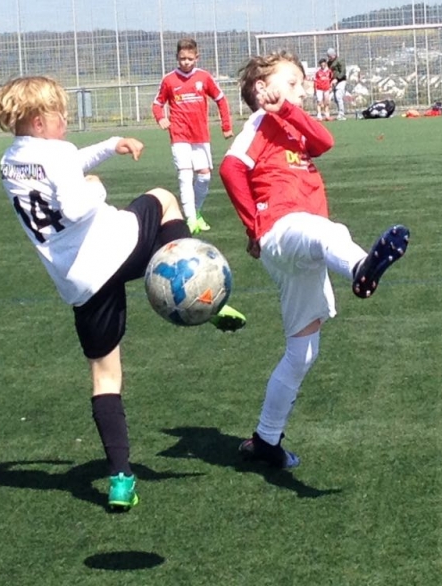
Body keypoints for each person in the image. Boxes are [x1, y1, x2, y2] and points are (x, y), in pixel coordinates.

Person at [0, 75, 246, 512]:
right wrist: (97, 186)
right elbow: (76, 202)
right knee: (163, 199)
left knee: (105, 377)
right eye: (59, 114)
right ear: (38, 122)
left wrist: (111, 145)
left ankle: (121, 479)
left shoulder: (11, 160)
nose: (66, 120)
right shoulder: (56, 155)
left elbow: (65, 164)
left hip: (79, 281)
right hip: (113, 245)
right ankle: (201, 292)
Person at [219, 51, 410, 469]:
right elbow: (231, 169)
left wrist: (288, 109)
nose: (301, 91)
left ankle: (266, 440)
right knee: (328, 231)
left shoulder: (290, 123)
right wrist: (254, 228)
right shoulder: (259, 124)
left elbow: (325, 142)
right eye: (292, 83)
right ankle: (360, 268)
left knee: (303, 352)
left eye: (302, 85)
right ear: (262, 89)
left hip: (300, 250)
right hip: (283, 228)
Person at [152, 38, 234, 235]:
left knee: (204, 176)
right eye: (182, 59)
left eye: (190, 58)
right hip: (179, 135)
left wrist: (226, 126)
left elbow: (221, 100)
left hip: (200, 136)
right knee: (185, 176)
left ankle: (195, 212)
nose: (186, 62)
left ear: (197, 57)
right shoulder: (169, 80)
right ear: (177, 58)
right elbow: (157, 103)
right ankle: (189, 220)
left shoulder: (204, 77)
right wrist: (161, 118)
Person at [326, 47, 348, 120]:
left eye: (330, 56)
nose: (329, 58)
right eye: (328, 56)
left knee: (338, 96)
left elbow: (343, 71)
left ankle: (342, 114)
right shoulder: (329, 63)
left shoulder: (340, 60)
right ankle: (339, 112)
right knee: (335, 98)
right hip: (333, 82)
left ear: (333, 55)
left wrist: (337, 78)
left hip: (341, 81)